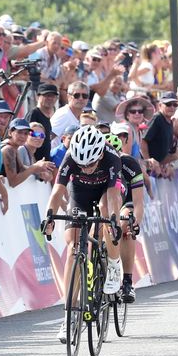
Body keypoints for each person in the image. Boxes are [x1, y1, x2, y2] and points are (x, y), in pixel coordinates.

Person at [43, 126, 123, 343]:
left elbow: (114, 195)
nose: (86, 168)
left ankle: (114, 264)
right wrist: (49, 217)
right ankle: (69, 314)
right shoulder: (70, 158)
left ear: (99, 155)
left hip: (106, 191)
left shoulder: (112, 158)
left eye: (90, 163)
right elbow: (58, 190)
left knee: (107, 215)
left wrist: (114, 221)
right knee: (73, 245)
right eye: (82, 164)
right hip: (79, 192)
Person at [105, 130, 144, 303]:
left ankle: (127, 281)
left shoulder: (129, 163)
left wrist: (136, 222)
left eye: (116, 152)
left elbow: (138, 202)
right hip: (105, 202)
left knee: (127, 224)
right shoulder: (96, 164)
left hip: (124, 202)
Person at [1, 118, 54, 187]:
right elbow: (13, 182)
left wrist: (40, 171)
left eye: (26, 133)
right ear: (10, 132)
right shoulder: (8, 149)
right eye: (19, 132)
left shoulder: (14, 149)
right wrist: (34, 167)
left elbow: (22, 168)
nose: (23, 136)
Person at [25, 83, 59, 161]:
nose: (50, 98)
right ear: (38, 97)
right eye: (46, 95)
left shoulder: (47, 117)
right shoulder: (34, 114)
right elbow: (28, 141)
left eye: (53, 96)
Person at [50, 81, 89, 147]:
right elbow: (49, 137)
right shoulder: (64, 114)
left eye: (84, 96)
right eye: (76, 95)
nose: (81, 98)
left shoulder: (82, 116)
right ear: (69, 97)